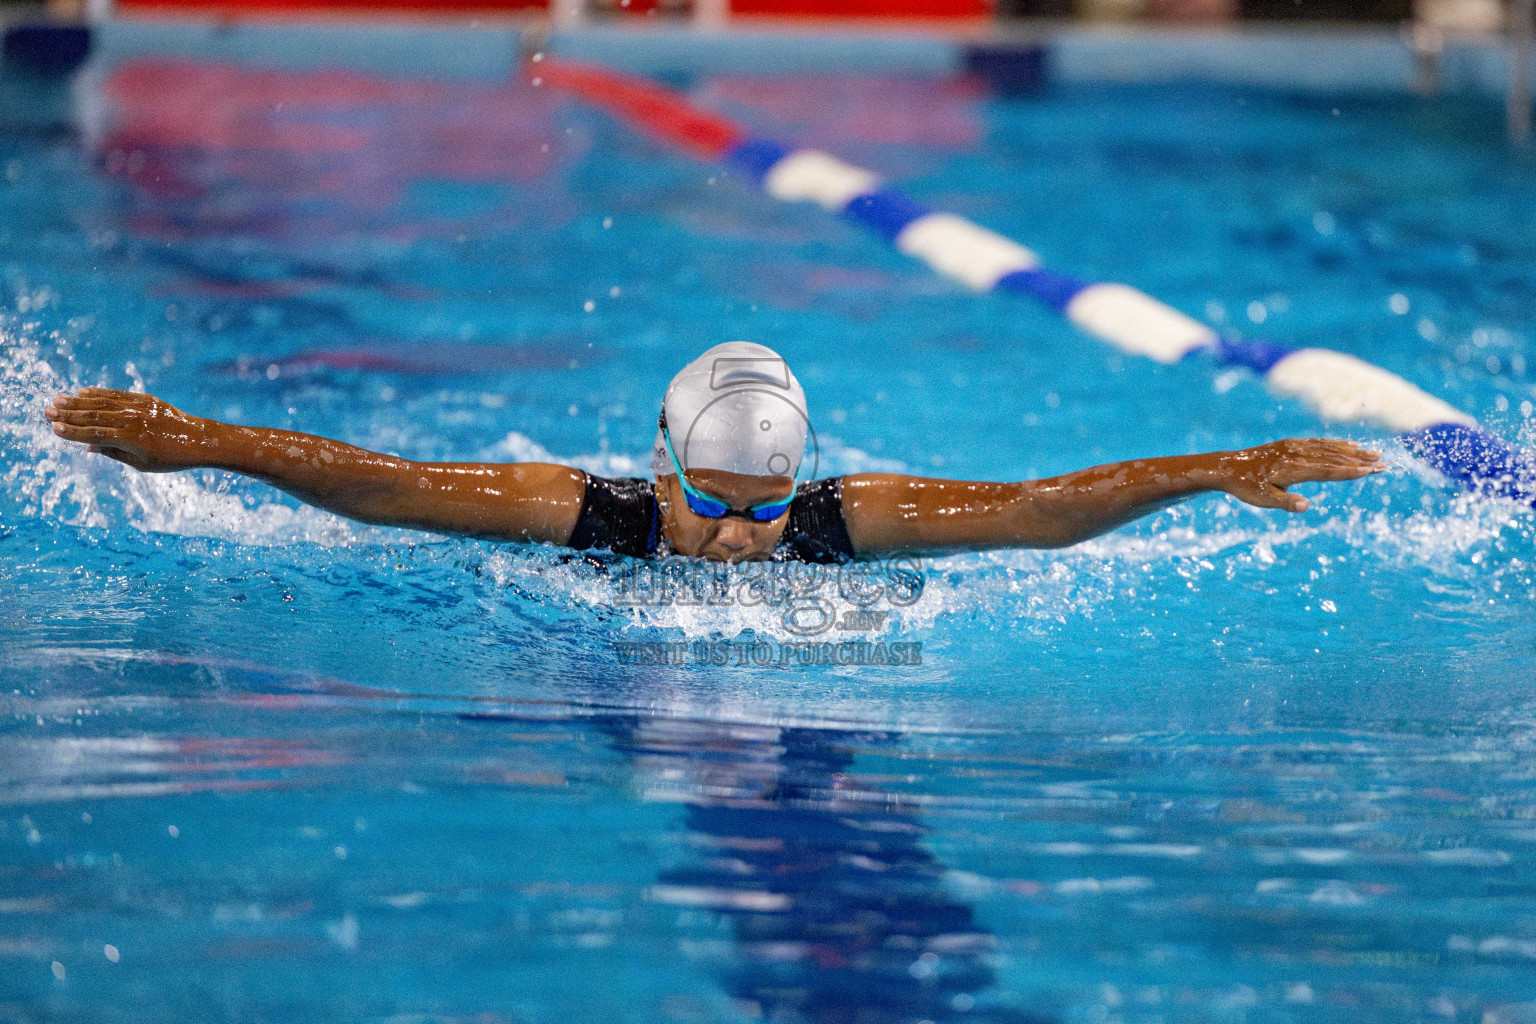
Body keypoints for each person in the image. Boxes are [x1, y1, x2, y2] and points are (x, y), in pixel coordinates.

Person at [45, 341, 1383, 564]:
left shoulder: (841, 522)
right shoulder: (589, 514)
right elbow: (385, 485)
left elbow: (1031, 509)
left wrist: (1210, 465)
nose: (740, 538)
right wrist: (203, 440)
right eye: (708, 499)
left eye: (765, 506)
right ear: (658, 465)